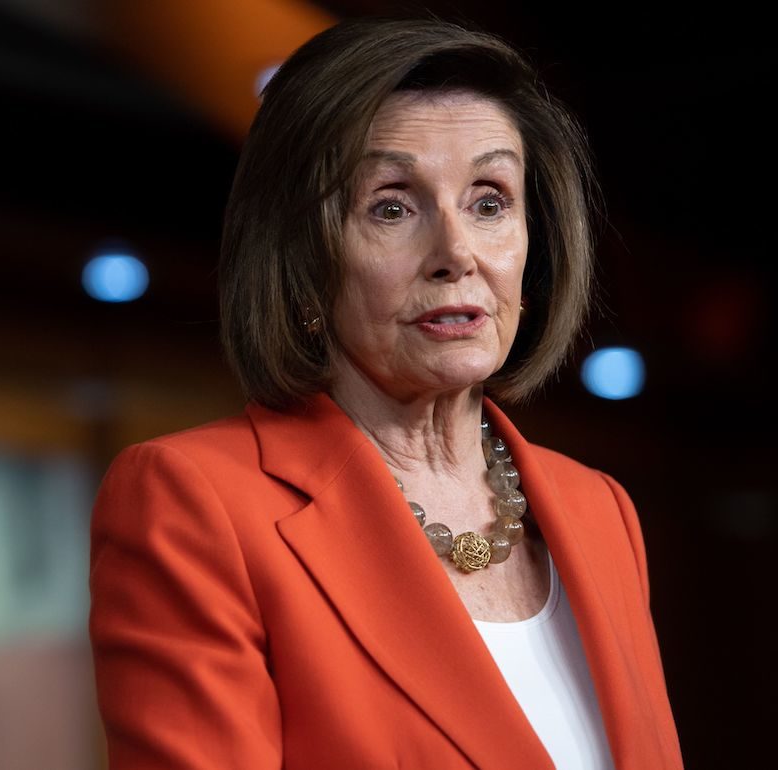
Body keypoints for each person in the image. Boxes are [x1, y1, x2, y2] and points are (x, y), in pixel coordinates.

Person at [88, 17, 682, 770]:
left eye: (489, 201)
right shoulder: (194, 505)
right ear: (303, 259)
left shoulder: (601, 511)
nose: (456, 252)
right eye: (392, 206)